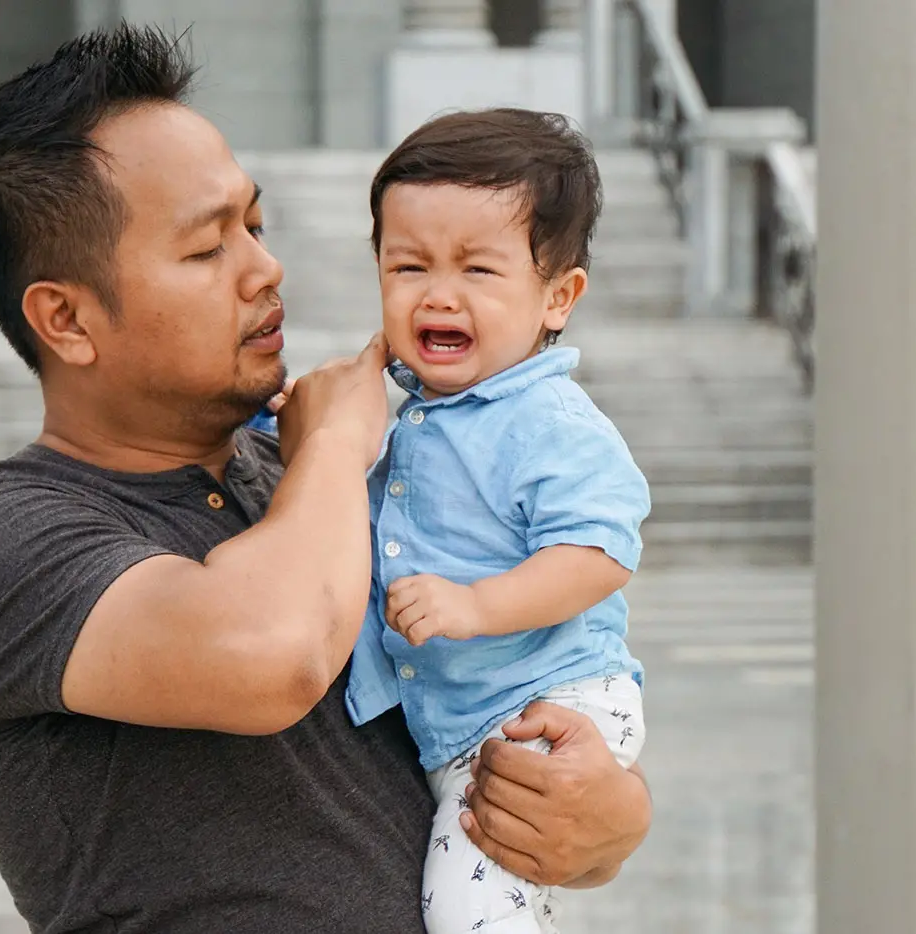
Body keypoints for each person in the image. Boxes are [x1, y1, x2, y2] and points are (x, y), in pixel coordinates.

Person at [0, 23, 651, 934]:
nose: (266, 268)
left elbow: (514, 682)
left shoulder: (310, 475)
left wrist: (608, 816)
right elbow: (269, 654)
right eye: (207, 247)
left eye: (254, 224)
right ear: (65, 318)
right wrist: (337, 444)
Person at [341, 110, 650, 933]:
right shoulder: (412, 410)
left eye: (478, 269)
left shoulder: (547, 420)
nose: (438, 293)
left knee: (471, 908)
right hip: (465, 726)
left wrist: (477, 607)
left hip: (547, 709)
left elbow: (596, 552)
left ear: (557, 296)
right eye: (408, 266)